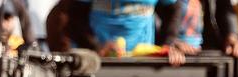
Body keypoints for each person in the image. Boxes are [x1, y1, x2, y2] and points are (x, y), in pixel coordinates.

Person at [65, 0, 193, 66]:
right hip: (100, 62)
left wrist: (165, 46)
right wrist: (96, 46)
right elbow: (74, 16)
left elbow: (173, 10)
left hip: (143, 60)